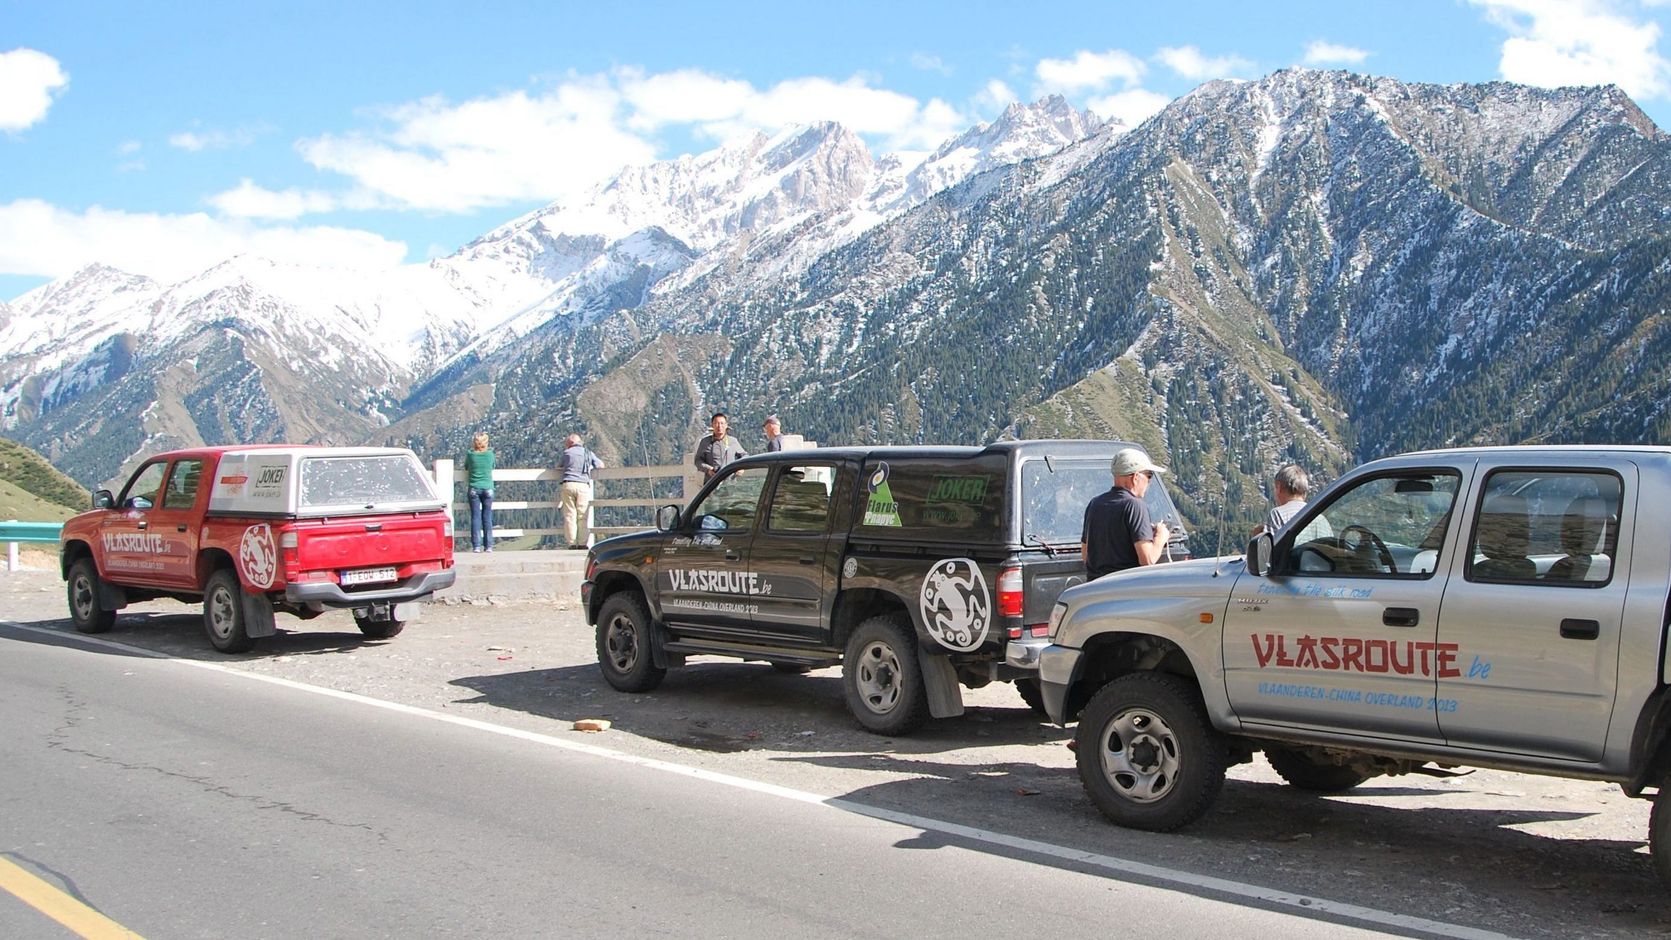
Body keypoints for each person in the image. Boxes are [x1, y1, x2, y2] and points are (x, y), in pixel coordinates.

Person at [1081, 448, 1171, 579]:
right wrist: (1161, 538)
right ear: (1135, 477)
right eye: (1149, 475)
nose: (1149, 482)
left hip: (1096, 590)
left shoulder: (1094, 504)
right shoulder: (1135, 505)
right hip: (1124, 589)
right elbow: (1147, 560)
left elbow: (1086, 555)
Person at [1253, 464, 1329, 540]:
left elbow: (1272, 548)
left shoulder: (1278, 514)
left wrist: (1259, 537)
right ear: (1305, 491)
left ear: (1279, 488)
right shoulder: (1320, 518)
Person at [558, 433, 604, 549]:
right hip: (583, 485)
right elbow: (600, 465)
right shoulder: (588, 453)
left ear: (570, 444)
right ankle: (583, 543)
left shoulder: (567, 453)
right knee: (583, 515)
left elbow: (559, 467)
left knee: (570, 515)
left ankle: (572, 543)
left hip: (568, 484)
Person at [464, 432, 495, 553]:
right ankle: (489, 546)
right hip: (488, 488)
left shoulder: (470, 455)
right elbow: (493, 465)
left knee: (475, 517)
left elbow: (466, 466)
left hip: (474, 488)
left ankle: (476, 546)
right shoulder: (490, 454)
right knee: (487, 517)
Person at [693, 412, 746, 480]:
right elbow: (698, 461)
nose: (719, 426)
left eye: (722, 423)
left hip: (730, 482)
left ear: (726, 425)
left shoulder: (733, 441)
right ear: (712, 425)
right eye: (716, 423)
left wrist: (741, 467)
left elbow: (744, 456)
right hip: (712, 482)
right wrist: (708, 469)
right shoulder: (705, 442)